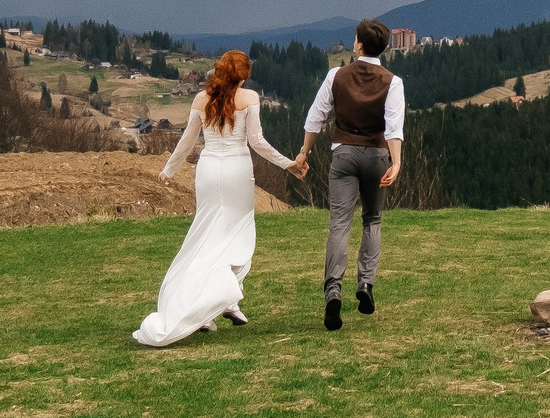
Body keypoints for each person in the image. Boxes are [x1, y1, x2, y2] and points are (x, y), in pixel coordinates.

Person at [132, 50, 297, 347]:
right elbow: (257, 142)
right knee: (239, 237)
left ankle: (209, 307)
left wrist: (168, 170)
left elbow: (187, 141)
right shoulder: (249, 98)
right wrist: (288, 164)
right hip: (236, 171)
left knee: (206, 236)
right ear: (243, 75)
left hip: (208, 171)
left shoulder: (200, 99)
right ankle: (225, 301)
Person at [290, 18, 405, 331]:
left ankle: (333, 293)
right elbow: (394, 127)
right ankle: (365, 285)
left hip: (343, 155)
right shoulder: (393, 82)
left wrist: (304, 153)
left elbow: (315, 118)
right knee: (373, 219)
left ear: (358, 45)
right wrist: (396, 162)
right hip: (378, 155)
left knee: (339, 223)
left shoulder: (335, 75)